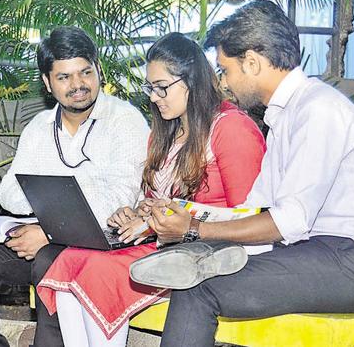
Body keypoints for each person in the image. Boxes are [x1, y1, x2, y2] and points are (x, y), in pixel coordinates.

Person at [128, 0, 354, 347]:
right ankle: (196, 255)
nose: (224, 82)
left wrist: (196, 229)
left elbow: (289, 221)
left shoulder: (319, 110)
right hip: (313, 251)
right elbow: (256, 207)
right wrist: (191, 220)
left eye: (226, 70)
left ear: (253, 62)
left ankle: (199, 257)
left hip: (351, 260)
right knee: (198, 262)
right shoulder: (286, 116)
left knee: (198, 291)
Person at [35, 32, 266, 346]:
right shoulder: (168, 130)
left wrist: (182, 218)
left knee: (99, 271)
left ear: (192, 80)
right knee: (72, 259)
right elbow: (158, 200)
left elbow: (254, 217)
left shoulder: (230, 128)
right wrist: (140, 212)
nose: (154, 98)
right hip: (167, 244)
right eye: (150, 88)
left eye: (162, 88)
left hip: (211, 251)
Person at [0, 26, 150, 347]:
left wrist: (48, 229)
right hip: (47, 236)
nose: (78, 85)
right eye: (64, 77)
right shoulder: (40, 128)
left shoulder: (124, 121)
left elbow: (117, 203)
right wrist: (54, 213)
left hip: (106, 244)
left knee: (49, 258)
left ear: (98, 69)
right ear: (47, 82)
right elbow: (11, 193)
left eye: (85, 72)